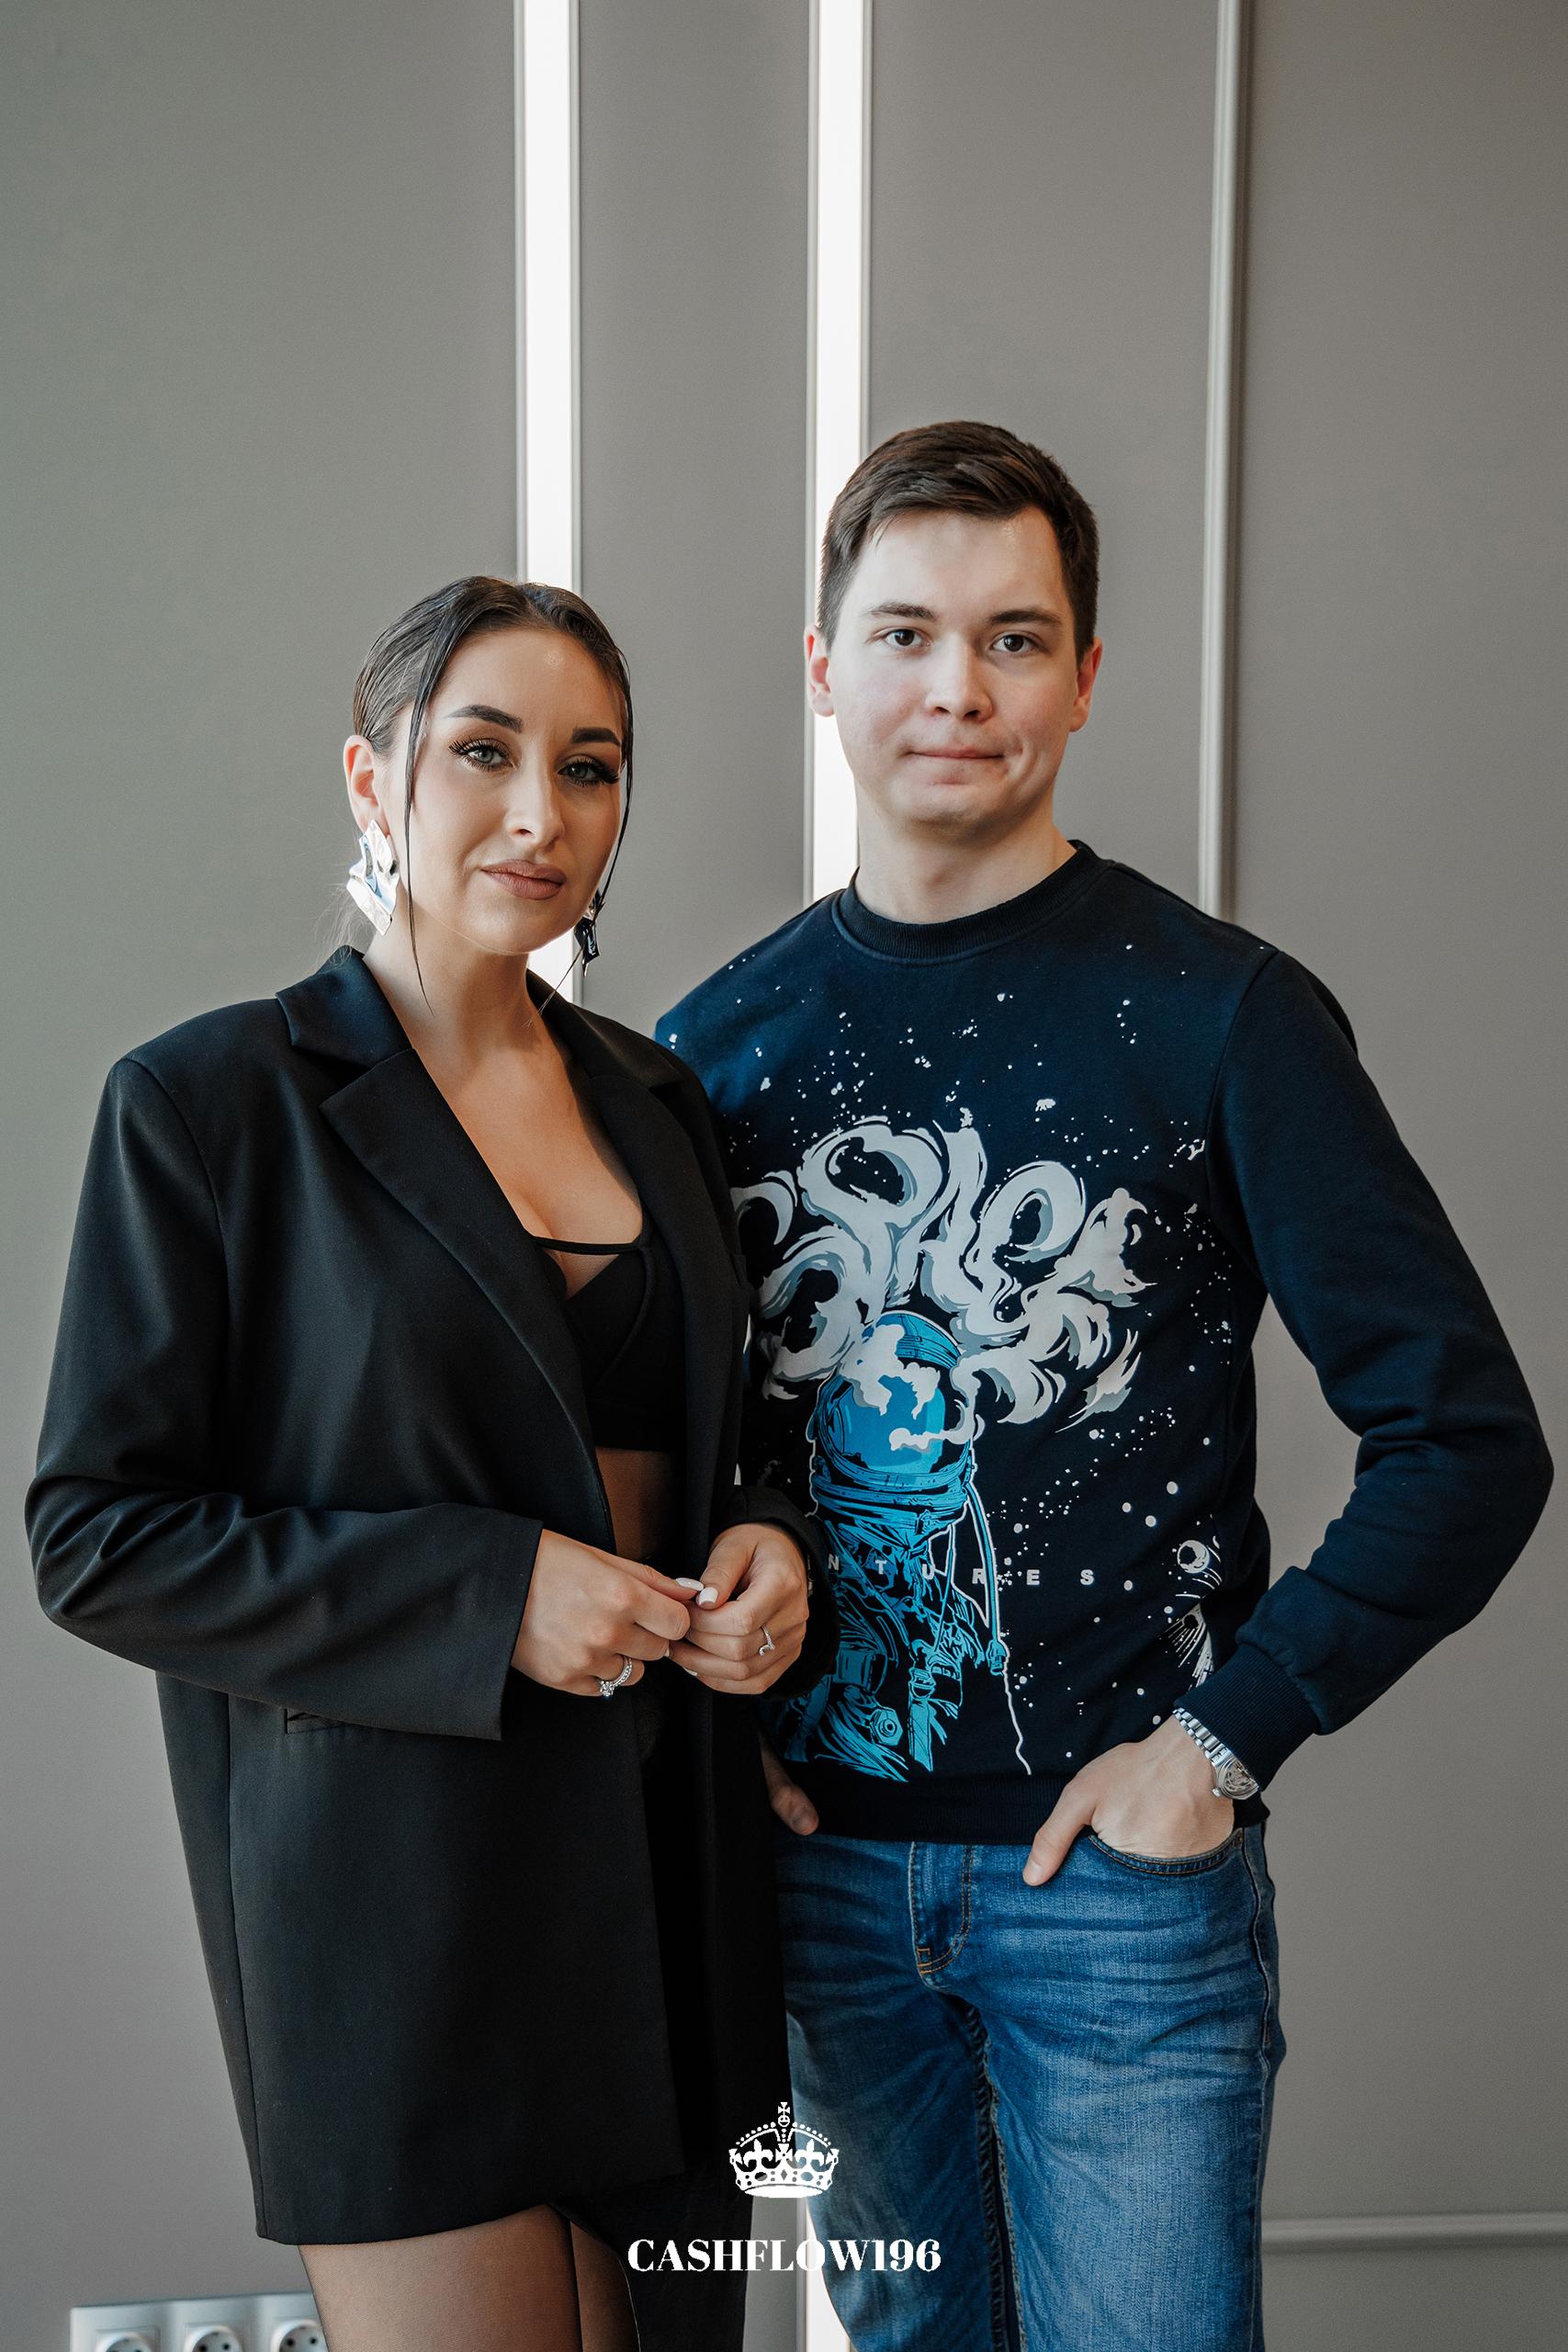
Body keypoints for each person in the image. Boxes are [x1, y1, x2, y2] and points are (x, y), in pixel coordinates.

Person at [658, 421, 1554, 2351]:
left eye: (1012, 637)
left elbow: (1466, 1441)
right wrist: (719, 1737)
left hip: (1118, 1892)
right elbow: (685, 1463)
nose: (955, 688)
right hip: (822, 1887)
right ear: (822, 668)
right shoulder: (713, 1049)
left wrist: (1219, 1743)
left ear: (1082, 676)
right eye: (903, 634)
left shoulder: (1220, 1013)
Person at [27, 576, 836, 2352]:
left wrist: (771, 1549)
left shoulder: (661, 1104)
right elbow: (98, 1537)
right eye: (483, 751)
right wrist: (493, 1597)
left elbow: (730, 1446)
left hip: (672, 1875)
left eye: (590, 767)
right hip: (400, 1907)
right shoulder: (209, 1105)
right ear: (371, 777)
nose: (541, 812)